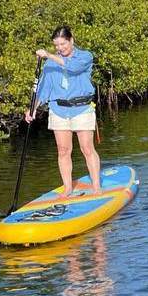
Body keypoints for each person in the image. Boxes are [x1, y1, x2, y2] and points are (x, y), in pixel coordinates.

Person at [25, 26, 102, 196]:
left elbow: (72, 67)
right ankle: (67, 188)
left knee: (87, 148)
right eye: (56, 45)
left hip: (82, 108)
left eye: (63, 44)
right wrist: (33, 109)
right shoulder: (51, 63)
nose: (60, 48)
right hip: (58, 109)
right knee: (63, 150)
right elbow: (44, 89)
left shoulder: (85, 56)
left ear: (71, 40)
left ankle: (96, 187)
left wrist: (49, 55)